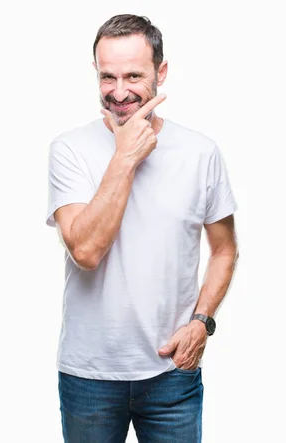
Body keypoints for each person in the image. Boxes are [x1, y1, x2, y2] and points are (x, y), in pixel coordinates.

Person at [45, 14, 239, 443]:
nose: (119, 92)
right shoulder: (70, 150)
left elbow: (225, 250)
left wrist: (201, 322)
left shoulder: (200, 152)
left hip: (172, 373)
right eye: (107, 76)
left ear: (161, 72)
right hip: (89, 376)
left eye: (133, 75)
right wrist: (125, 157)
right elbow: (86, 252)